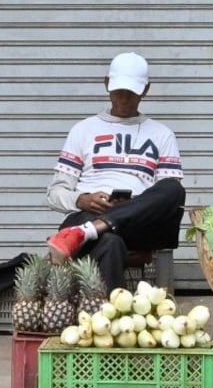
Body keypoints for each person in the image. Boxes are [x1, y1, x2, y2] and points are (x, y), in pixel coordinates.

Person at [45, 52, 186, 289]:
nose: (123, 98)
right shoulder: (83, 130)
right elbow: (54, 193)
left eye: (131, 92)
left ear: (146, 90)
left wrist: (134, 207)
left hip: (138, 224)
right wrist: (82, 199)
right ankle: (112, 320)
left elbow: (167, 200)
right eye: (119, 90)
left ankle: (92, 229)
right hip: (87, 215)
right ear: (107, 84)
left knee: (174, 189)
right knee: (110, 242)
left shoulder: (162, 134)